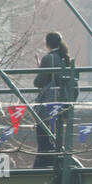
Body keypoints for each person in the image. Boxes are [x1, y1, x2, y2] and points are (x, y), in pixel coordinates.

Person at [31, 32, 76, 169]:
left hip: (49, 106)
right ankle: (55, 163)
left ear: (47, 44)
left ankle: (43, 166)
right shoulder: (67, 59)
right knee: (57, 138)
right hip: (63, 106)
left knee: (44, 137)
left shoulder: (48, 59)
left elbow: (39, 82)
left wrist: (40, 70)